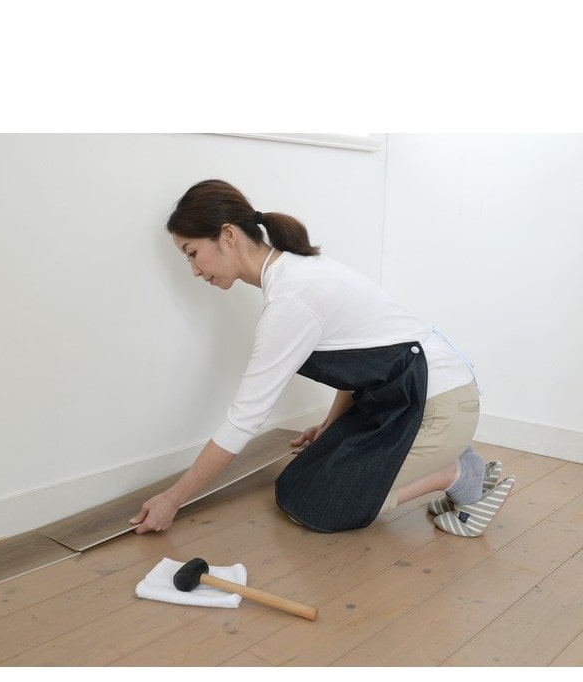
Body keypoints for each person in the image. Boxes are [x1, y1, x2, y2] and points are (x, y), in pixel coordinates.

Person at [129, 179, 515, 539]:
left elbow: (243, 419)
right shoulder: (296, 273)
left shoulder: (292, 300)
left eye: (193, 254)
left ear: (228, 235)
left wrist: (173, 499)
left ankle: (458, 471)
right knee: (295, 486)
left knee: (323, 506)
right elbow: (361, 362)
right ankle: (448, 458)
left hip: (438, 408)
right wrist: (330, 425)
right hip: (405, 400)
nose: (195, 271)